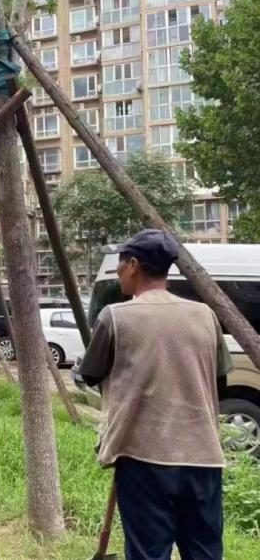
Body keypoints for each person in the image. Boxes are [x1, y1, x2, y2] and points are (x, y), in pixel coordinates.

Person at [77, 229, 233, 560]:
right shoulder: (205, 315)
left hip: (143, 457)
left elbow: (90, 373)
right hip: (203, 457)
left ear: (133, 265)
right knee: (205, 553)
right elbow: (219, 380)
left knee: (148, 554)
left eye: (120, 266)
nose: (119, 274)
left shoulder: (116, 317)